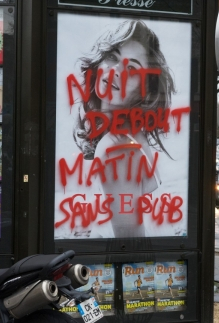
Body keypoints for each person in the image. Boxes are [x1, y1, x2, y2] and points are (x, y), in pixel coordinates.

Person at [72, 20, 176, 238]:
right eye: (112, 57)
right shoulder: (124, 140)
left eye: (132, 68)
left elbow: (130, 248)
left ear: (144, 90)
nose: (116, 71)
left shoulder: (118, 150)